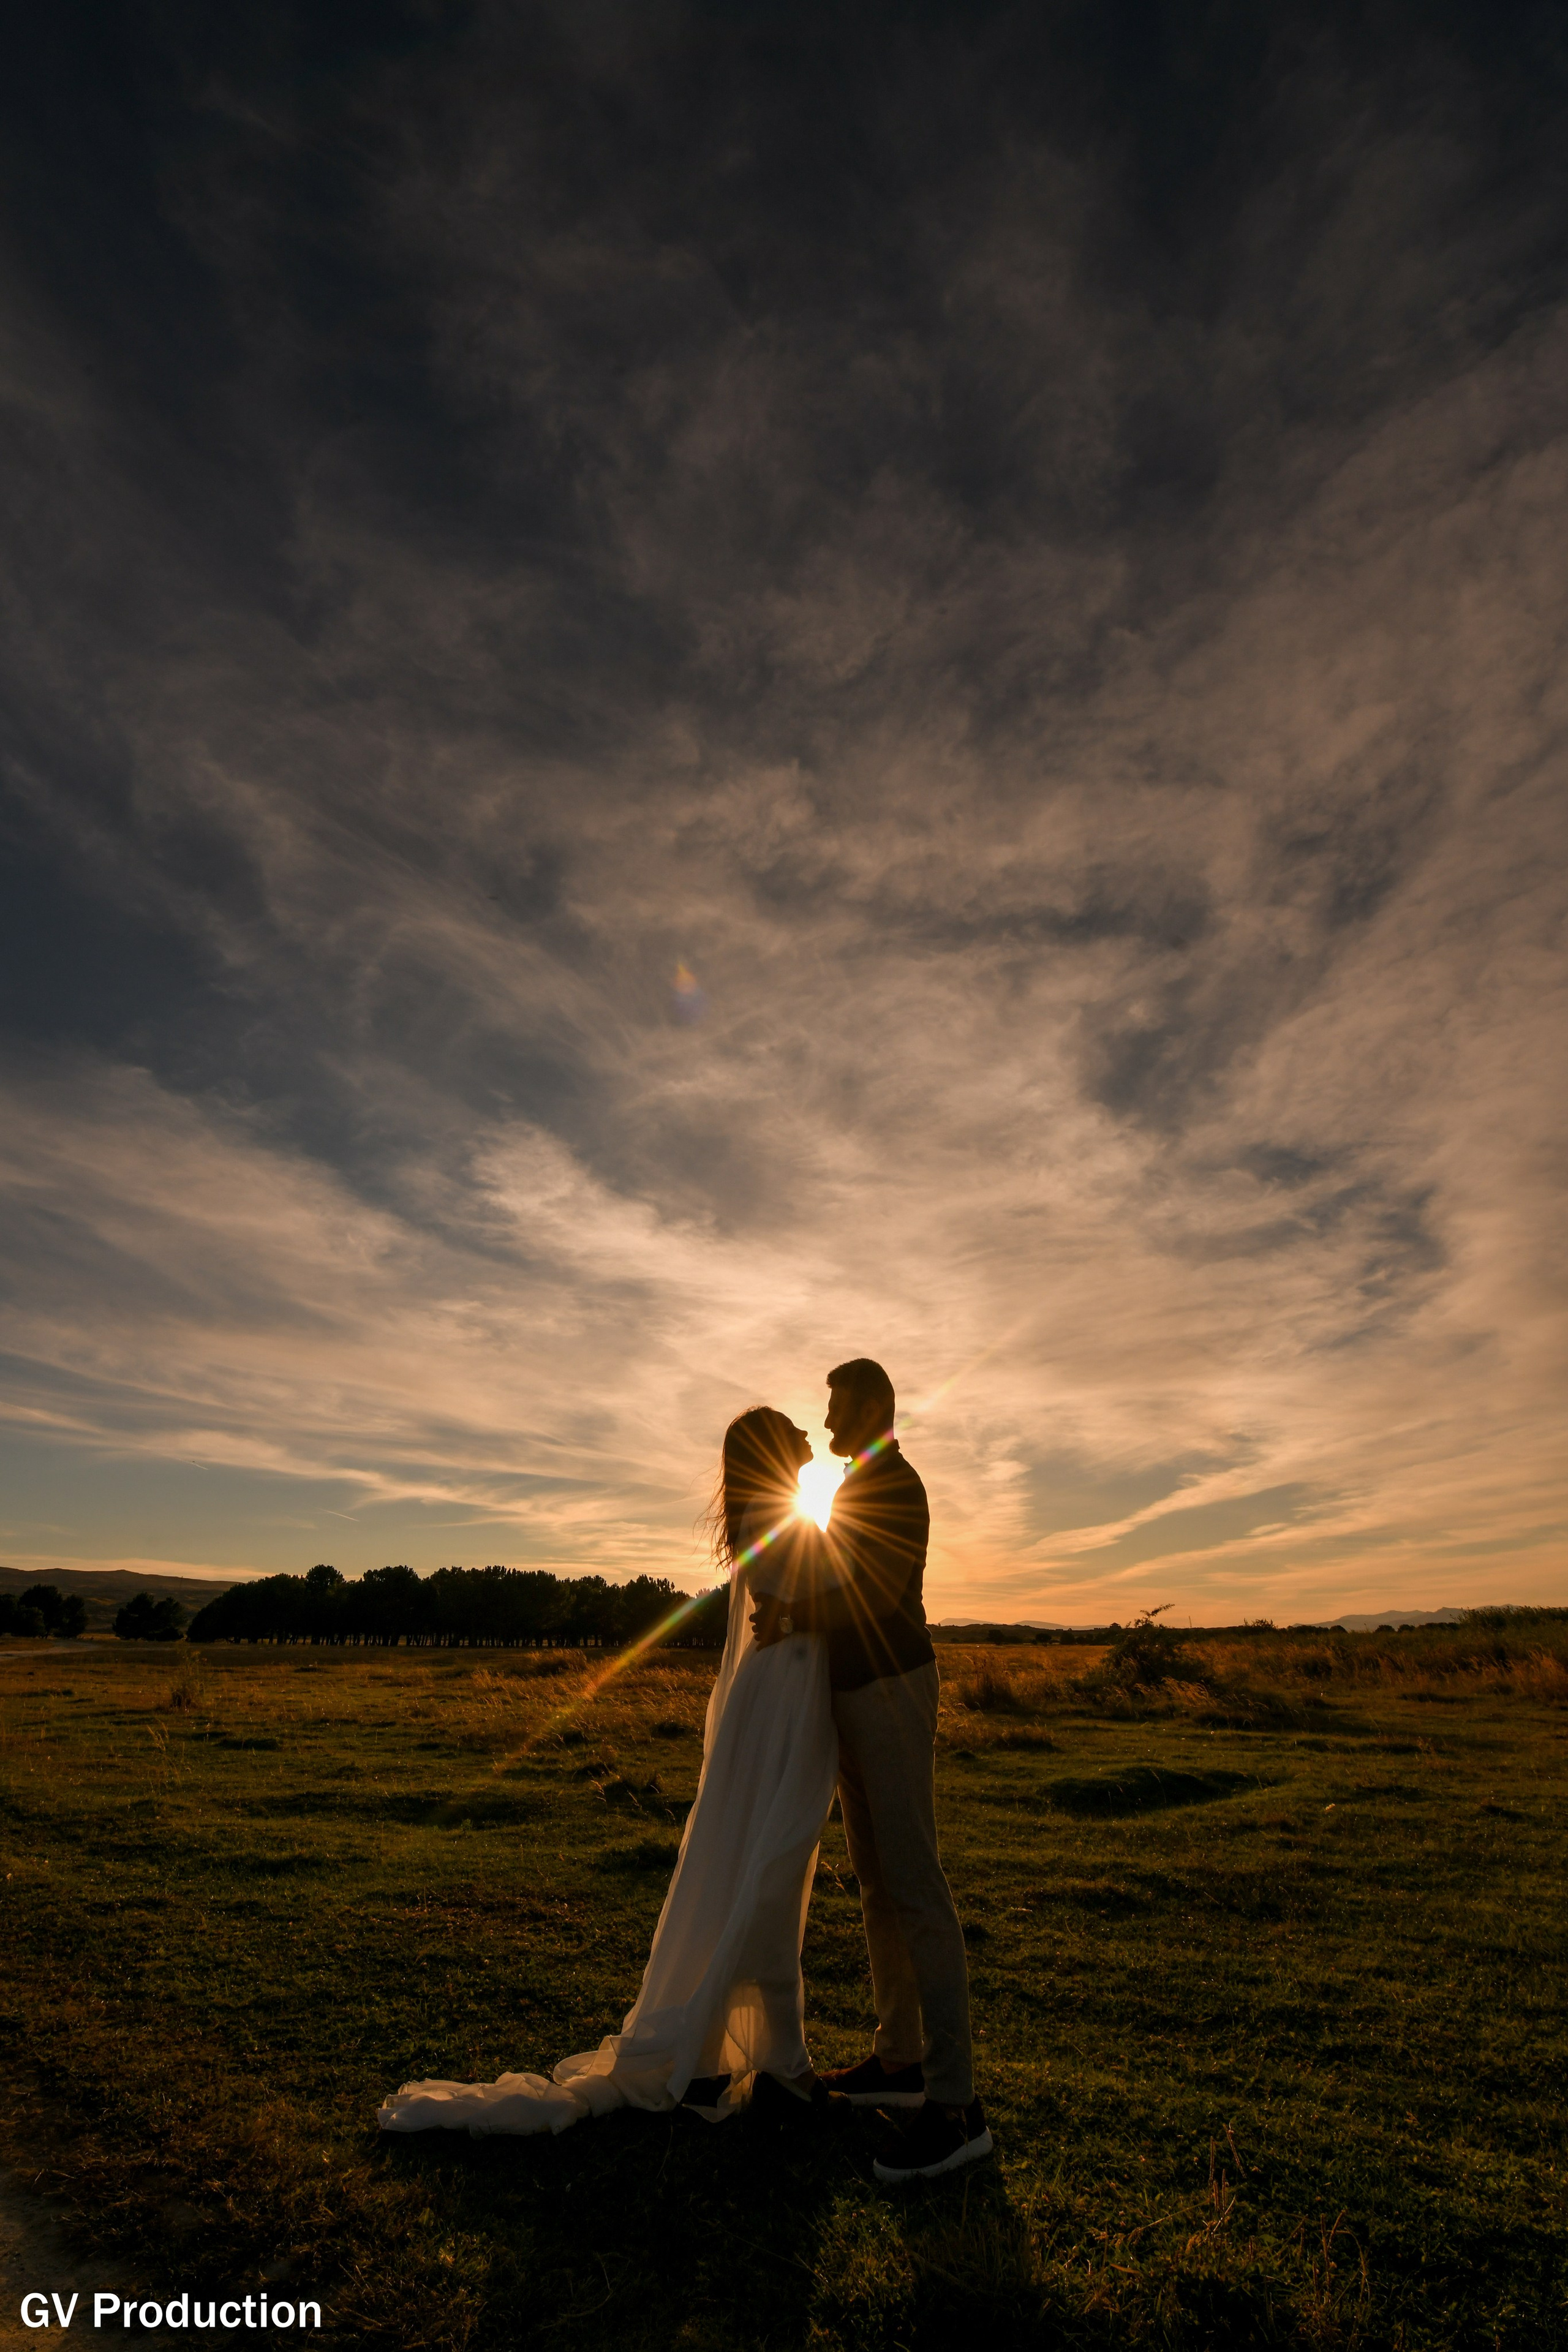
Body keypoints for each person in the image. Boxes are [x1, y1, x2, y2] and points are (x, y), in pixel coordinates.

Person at [377, 1406, 839, 2138]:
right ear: (771, 1449)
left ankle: (768, 2057)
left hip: (786, 1693)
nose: (810, 1439)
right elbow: (817, 1602)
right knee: (766, 1866)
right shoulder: (771, 1514)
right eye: (795, 1431)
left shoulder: (774, 1512)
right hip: (783, 1701)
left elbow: (798, 1603)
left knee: (767, 1866)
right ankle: (756, 2062)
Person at [752, 1357, 992, 2182]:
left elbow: (879, 1594)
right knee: (878, 1882)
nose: (824, 1423)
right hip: (856, 1690)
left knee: (915, 1882)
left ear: (875, 1407)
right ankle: (901, 2059)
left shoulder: (893, 1483)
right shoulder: (858, 1484)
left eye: (834, 1407)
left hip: (891, 1684)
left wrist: (789, 1611)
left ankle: (958, 2108)